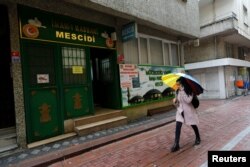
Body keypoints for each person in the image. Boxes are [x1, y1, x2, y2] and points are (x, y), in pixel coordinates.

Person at [171, 76, 201, 152]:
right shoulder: (177, 90)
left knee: (193, 124)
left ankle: (198, 137)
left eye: (178, 83)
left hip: (188, 111)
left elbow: (188, 101)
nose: (177, 84)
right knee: (178, 126)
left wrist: (182, 91)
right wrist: (175, 101)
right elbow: (178, 102)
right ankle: (176, 144)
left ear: (182, 83)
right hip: (180, 111)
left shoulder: (189, 90)